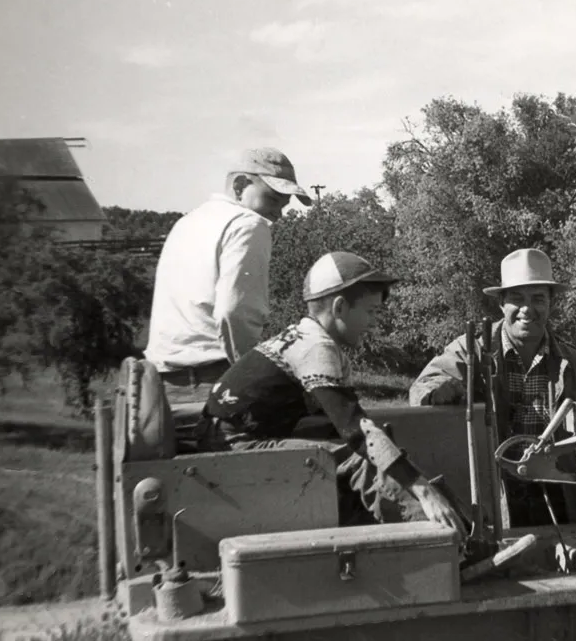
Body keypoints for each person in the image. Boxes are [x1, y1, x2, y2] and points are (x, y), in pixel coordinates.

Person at [203, 251, 466, 536]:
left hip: (237, 436)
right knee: (360, 459)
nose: (375, 323)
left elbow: (339, 426)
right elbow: (356, 431)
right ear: (339, 307)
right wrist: (424, 491)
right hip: (233, 445)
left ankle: (415, 534)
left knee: (372, 451)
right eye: (371, 312)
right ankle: (443, 538)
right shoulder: (316, 347)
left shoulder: (313, 339)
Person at [409, 248, 576, 528]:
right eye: (516, 298)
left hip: (558, 493)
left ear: (551, 303)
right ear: (501, 304)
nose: (527, 309)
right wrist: (440, 389)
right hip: (492, 496)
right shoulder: (471, 352)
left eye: (538, 298)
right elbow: (422, 389)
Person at [144, 148, 311, 447]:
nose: (279, 213)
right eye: (272, 199)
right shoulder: (249, 224)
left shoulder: (187, 223)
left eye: (284, 204)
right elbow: (234, 312)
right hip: (215, 380)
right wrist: (252, 378)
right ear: (239, 186)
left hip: (162, 385)